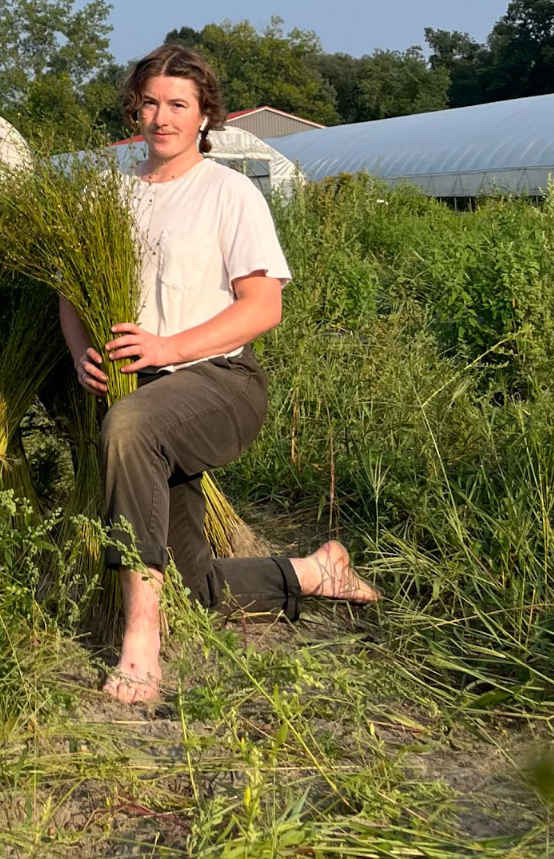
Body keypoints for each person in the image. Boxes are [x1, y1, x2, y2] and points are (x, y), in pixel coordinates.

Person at [58, 44, 379, 704]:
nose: (161, 116)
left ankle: (140, 642)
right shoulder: (110, 194)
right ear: (133, 108)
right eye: (149, 102)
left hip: (218, 384)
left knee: (130, 426)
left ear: (205, 113)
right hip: (143, 396)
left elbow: (264, 307)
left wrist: (167, 347)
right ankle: (316, 572)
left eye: (178, 103)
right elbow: (69, 294)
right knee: (198, 584)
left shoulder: (228, 193)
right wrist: (77, 350)